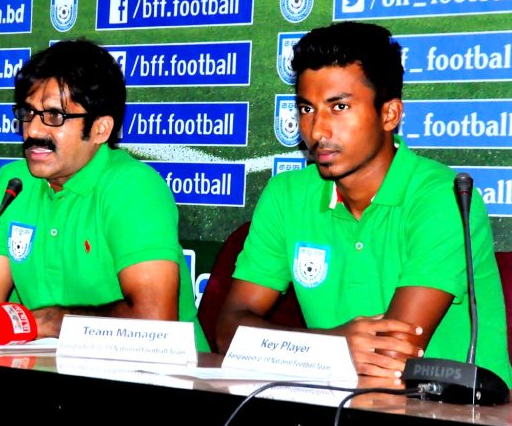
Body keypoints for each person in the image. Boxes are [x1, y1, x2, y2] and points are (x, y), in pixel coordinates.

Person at [215, 22, 512, 385]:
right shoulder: (286, 195)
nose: (317, 131)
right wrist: (332, 344)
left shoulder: (442, 196)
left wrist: (296, 350)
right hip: (336, 399)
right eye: (307, 109)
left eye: (339, 107)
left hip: (455, 414)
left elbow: (391, 356)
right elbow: (228, 330)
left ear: (389, 114)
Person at [0, 39, 207, 350]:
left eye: (54, 116)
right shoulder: (14, 183)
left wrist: (55, 321)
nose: (33, 131)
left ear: (100, 129)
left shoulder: (133, 187)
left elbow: (154, 320)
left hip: (158, 381)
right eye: (28, 114)